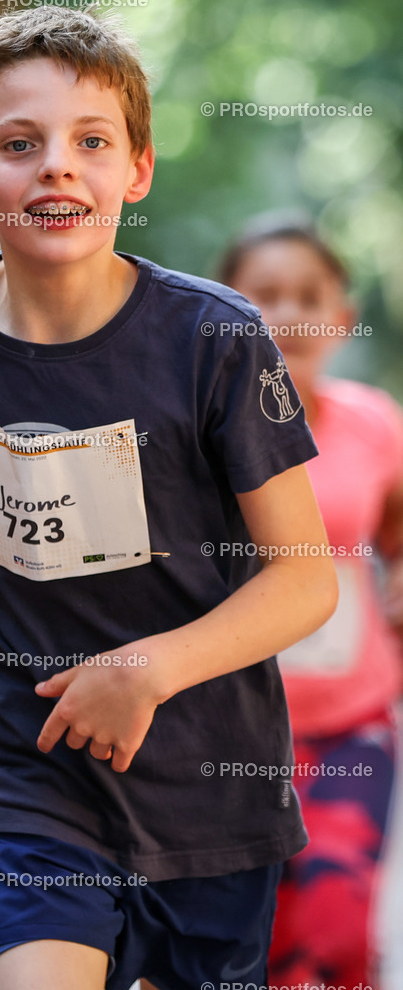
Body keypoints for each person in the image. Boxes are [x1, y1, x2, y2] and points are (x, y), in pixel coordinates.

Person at [0, 7, 338, 990]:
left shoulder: (215, 340)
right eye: (20, 143)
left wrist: (145, 670)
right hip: (21, 768)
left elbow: (306, 583)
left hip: (209, 789)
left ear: (135, 170)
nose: (57, 166)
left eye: (90, 142)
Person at [219, 217, 403, 987]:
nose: (288, 314)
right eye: (265, 295)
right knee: (240, 944)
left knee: (332, 935)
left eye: (309, 296)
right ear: (221, 308)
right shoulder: (194, 427)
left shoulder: (375, 425)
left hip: (349, 727)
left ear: (341, 316)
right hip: (221, 731)